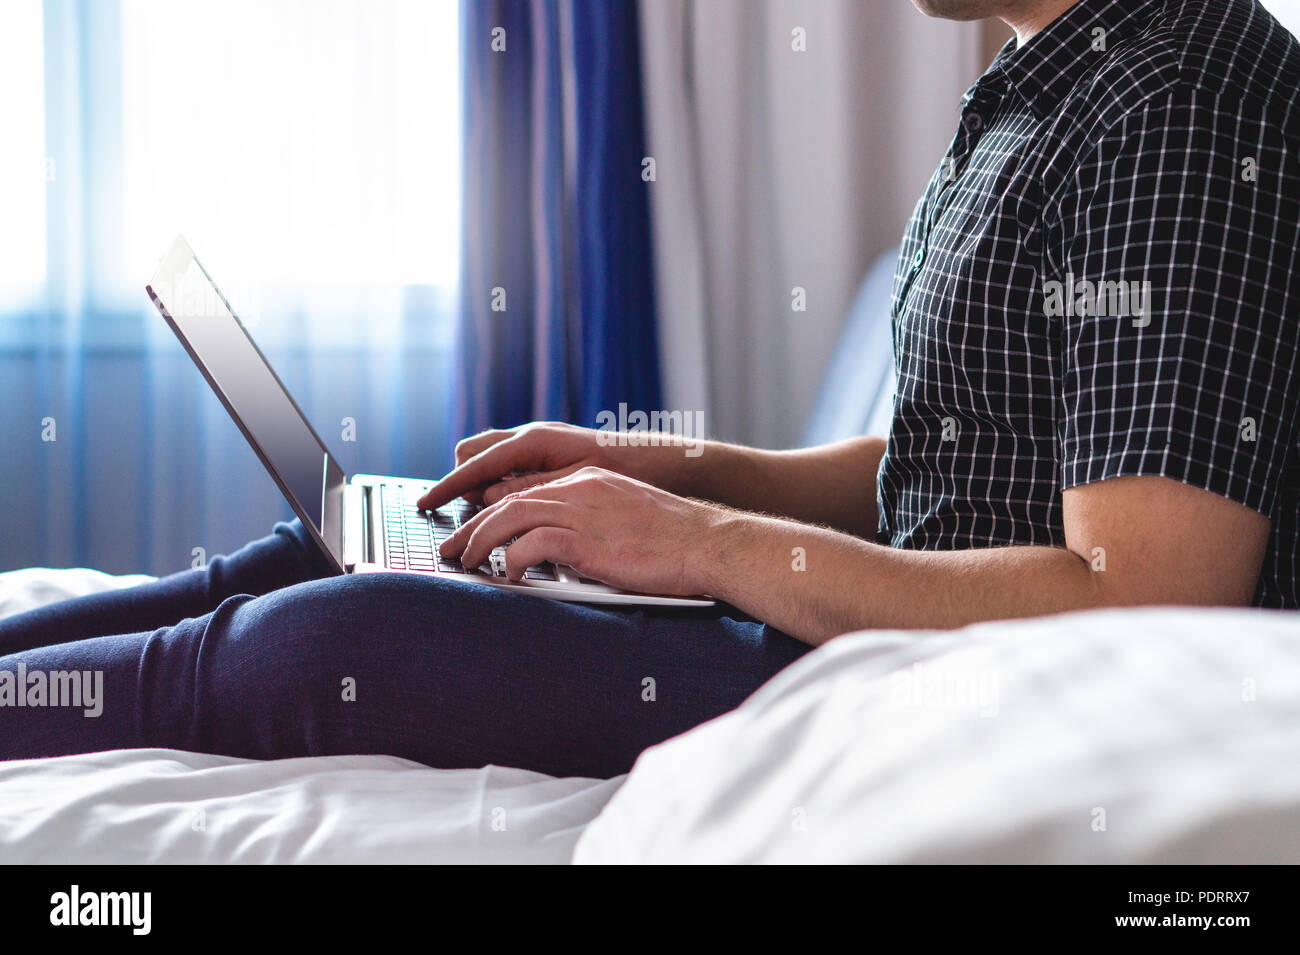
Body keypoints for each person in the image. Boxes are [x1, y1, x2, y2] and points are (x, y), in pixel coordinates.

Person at [2, 0, 1296, 778]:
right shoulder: (1052, 87)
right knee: (316, 558)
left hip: (930, 687)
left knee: (333, 647)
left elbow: (1142, 597)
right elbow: (936, 466)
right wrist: (655, 479)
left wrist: (704, 546)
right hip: (874, 626)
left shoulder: (1173, 105)